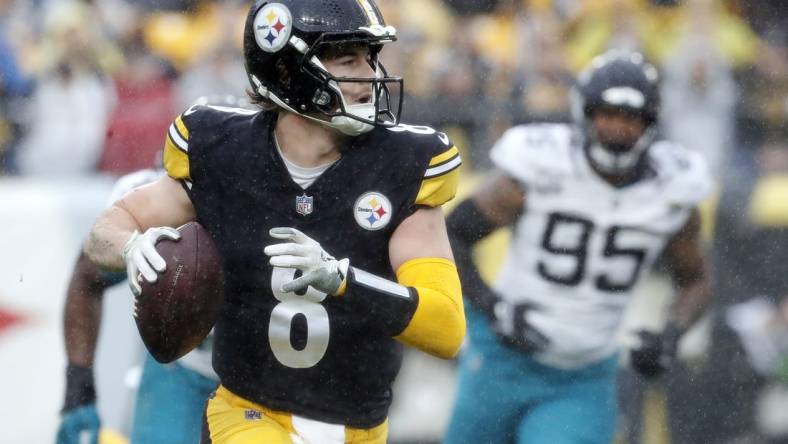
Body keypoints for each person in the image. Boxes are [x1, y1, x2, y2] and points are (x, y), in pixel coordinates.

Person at [84, 1, 466, 443]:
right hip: (248, 414)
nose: (372, 76)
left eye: (371, 57)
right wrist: (131, 249)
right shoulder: (224, 150)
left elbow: (448, 329)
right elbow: (106, 230)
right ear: (290, 71)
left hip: (359, 428)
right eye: (349, 59)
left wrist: (345, 282)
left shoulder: (403, 164)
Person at [442, 50, 713, 444]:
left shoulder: (672, 189)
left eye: (630, 118)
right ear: (584, 113)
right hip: (501, 358)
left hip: (583, 376)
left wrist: (671, 336)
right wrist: (491, 305)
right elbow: (453, 234)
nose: (618, 129)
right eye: (607, 114)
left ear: (651, 121)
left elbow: (697, 280)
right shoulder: (540, 163)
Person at [57, 168, 218, 444]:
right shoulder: (149, 194)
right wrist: (78, 385)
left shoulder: (286, 192)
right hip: (182, 368)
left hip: (267, 374)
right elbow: (88, 278)